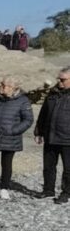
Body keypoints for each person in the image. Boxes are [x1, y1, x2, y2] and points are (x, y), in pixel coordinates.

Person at [35, 66, 70, 203]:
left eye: (63, 80)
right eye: (59, 79)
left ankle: (66, 192)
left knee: (68, 169)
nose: (60, 82)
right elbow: (43, 114)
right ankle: (48, 190)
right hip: (51, 136)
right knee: (48, 166)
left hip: (68, 139)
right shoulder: (52, 94)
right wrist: (39, 132)